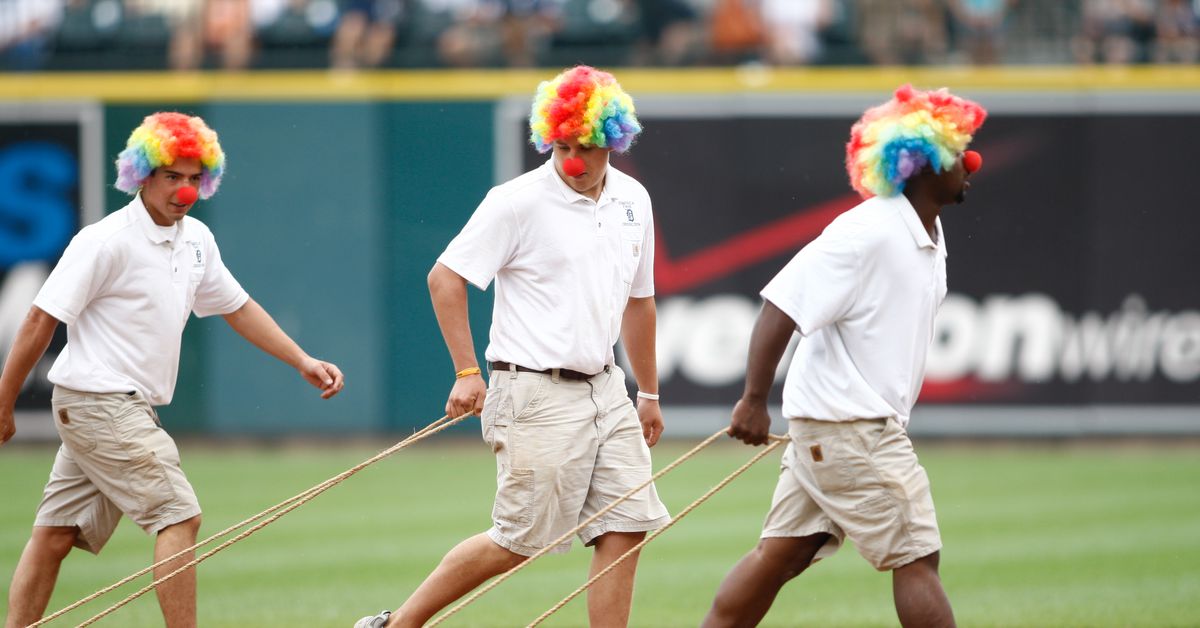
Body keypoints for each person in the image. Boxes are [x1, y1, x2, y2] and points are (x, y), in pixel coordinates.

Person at [0, 112, 345, 628]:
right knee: (179, 515)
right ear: (142, 176)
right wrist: (3, 403)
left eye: (192, 178)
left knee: (55, 534)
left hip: (115, 406)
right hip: (101, 402)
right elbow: (37, 319)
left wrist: (302, 360)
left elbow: (237, 306)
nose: (183, 190)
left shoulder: (198, 238)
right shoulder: (105, 240)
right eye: (171, 177)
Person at [355, 65, 670, 628]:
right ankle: (399, 624)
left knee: (627, 524)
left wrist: (646, 389)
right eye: (564, 145)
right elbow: (444, 278)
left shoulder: (634, 200)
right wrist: (466, 371)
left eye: (589, 146)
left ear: (614, 142)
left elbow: (638, 302)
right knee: (518, 540)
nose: (575, 160)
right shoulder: (516, 200)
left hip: (607, 390)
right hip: (533, 392)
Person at [701, 84, 986, 628]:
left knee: (781, 555)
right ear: (922, 165)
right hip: (853, 429)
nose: (971, 163)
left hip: (834, 428)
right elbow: (780, 305)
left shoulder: (927, 231)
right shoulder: (866, 232)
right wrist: (753, 401)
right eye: (957, 154)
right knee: (917, 555)